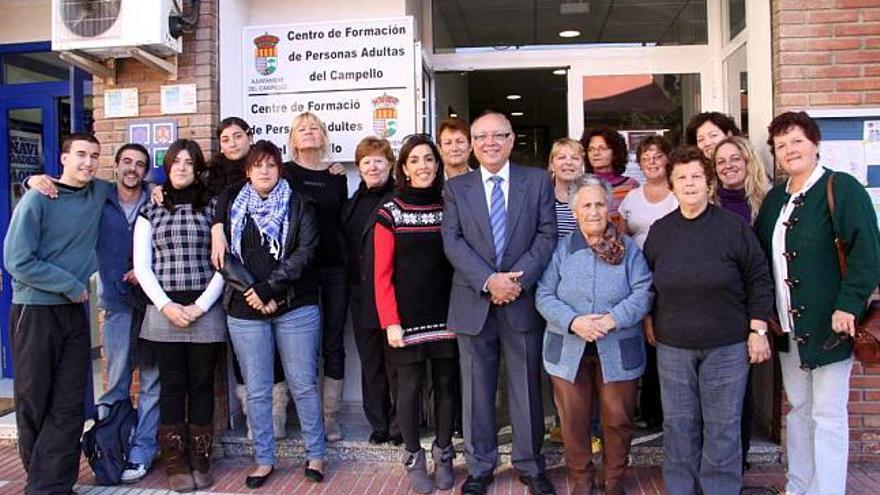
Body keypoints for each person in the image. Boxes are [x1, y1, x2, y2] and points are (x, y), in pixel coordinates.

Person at [754, 111, 880, 495]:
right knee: (799, 412)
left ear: (814, 143)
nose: (789, 150)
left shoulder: (841, 189)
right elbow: (761, 258)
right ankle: (799, 486)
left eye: (797, 141)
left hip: (831, 325)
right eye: (781, 145)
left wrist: (849, 304)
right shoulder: (776, 200)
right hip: (789, 330)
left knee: (827, 415)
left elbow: (868, 253)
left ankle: (827, 491)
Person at [643, 146, 773, 495]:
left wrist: (758, 328)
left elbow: (759, 278)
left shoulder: (733, 229)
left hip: (727, 346)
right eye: (681, 177)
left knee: (723, 427)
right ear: (671, 184)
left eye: (696, 176)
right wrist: (647, 320)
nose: (689, 184)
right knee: (679, 426)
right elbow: (646, 283)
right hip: (673, 347)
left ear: (708, 182)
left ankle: (720, 489)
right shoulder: (660, 231)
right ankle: (681, 489)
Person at [442, 111, 557, 495]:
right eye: (482, 136)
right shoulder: (458, 188)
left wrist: (515, 282)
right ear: (473, 144)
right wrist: (489, 281)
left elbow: (546, 235)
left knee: (526, 384)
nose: (490, 142)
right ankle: (480, 467)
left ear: (511, 140)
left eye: (498, 135)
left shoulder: (537, 180)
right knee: (476, 388)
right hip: (474, 301)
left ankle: (529, 464)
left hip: (521, 300)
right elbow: (453, 242)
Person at [4, 133, 113, 494]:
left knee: (69, 402)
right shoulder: (38, 197)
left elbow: (135, 184)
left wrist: (155, 189)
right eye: (81, 154)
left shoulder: (98, 192)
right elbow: (17, 260)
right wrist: (69, 284)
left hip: (74, 313)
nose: (88, 162)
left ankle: (53, 485)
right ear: (63, 158)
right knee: (35, 400)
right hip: (35, 312)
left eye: (94, 156)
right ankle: (42, 479)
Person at [216, 140, 326, 488]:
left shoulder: (300, 203)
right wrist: (255, 293)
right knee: (257, 389)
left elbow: (305, 251)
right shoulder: (231, 206)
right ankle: (264, 459)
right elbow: (224, 259)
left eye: (271, 165)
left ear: (281, 169)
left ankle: (316, 453)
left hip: (295, 306)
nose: (265, 170)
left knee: (303, 384)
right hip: (245, 310)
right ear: (248, 171)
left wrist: (268, 290)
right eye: (258, 165)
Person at [536, 175, 652, 495]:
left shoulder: (627, 248)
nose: (593, 211)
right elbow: (544, 295)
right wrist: (574, 321)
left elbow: (644, 292)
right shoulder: (562, 248)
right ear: (574, 211)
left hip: (617, 346)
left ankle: (613, 481)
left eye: (599, 204)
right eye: (586, 205)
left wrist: (613, 319)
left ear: (610, 206)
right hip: (569, 349)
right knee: (573, 422)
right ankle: (582, 480)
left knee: (617, 419)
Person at [133, 139, 226, 492]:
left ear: (198, 167)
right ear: (167, 168)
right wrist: (166, 305)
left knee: (202, 385)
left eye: (189, 162)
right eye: (176, 162)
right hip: (163, 311)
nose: (182, 167)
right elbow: (142, 266)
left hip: (205, 308)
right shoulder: (150, 210)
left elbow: (222, 263)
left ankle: (201, 458)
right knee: (171, 386)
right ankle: (175, 461)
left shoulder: (214, 207)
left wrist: (201, 305)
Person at [373, 135, 458, 493]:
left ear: (437, 165)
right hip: (405, 318)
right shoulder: (390, 212)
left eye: (428, 159)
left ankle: (444, 454)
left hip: (448, 313)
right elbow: (381, 273)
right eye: (415, 161)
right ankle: (413, 458)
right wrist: (390, 321)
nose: (423, 166)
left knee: (446, 386)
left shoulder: (451, 205)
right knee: (408, 389)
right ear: (404, 168)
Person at [96, 144, 160, 483]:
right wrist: (35, 180)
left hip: (151, 303)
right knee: (117, 379)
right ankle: (111, 447)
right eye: (127, 162)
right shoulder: (98, 197)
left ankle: (143, 449)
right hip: (117, 302)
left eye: (139, 164)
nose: (132, 169)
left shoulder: (155, 198)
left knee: (151, 378)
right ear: (116, 165)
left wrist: (144, 268)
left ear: (147, 171)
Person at [285, 111, 349, 441]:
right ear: (293, 139)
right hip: (300, 271)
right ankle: (302, 414)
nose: (309, 133)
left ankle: (330, 417)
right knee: (302, 346)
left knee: (333, 342)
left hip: (335, 267)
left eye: (314, 129)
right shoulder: (284, 173)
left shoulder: (337, 176)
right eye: (302, 129)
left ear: (324, 136)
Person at [341, 136, 401, 446]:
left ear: (390, 164)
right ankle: (378, 424)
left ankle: (399, 425)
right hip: (361, 295)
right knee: (371, 363)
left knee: (397, 363)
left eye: (379, 160)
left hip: (393, 294)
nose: (372, 166)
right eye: (366, 161)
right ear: (359, 168)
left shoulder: (400, 199)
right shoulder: (352, 203)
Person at [618, 135, 678, 432]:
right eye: (646, 157)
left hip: (672, 278)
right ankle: (648, 410)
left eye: (657, 155)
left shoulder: (679, 193)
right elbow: (624, 236)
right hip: (639, 279)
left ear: (668, 159)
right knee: (645, 346)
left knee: (667, 346)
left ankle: (669, 413)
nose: (652, 162)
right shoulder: (632, 197)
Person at [580, 126, 639, 227]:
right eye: (591, 149)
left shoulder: (631, 186)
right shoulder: (580, 186)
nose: (596, 153)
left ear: (615, 153)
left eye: (602, 148)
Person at [712, 136, 770, 225]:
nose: (728, 166)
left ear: (749, 163)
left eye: (735, 159)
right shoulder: (708, 204)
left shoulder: (767, 201)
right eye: (721, 162)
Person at [547, 137, 585, 238]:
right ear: (552, 165)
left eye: (575, 158)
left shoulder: (590, 197)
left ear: (582, 165)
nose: (568, 162)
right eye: (561, 157)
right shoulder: (541, 197)